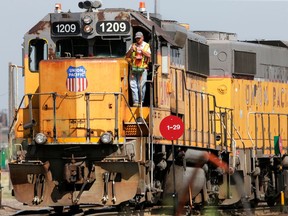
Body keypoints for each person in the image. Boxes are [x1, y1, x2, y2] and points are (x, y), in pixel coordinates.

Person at [126, 31, 151, 106]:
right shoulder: (132, 45)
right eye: (137, 39)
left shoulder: (146, 45)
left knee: (141, 85)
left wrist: (142, 51)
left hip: (142, 69)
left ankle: (141, 101)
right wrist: (131, 50)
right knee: (133, 85)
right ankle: (136, 102)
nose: (138, 40)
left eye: (139, 38)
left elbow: (149, 55)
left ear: (142, 38)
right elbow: (127, 56)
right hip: (133, 69)